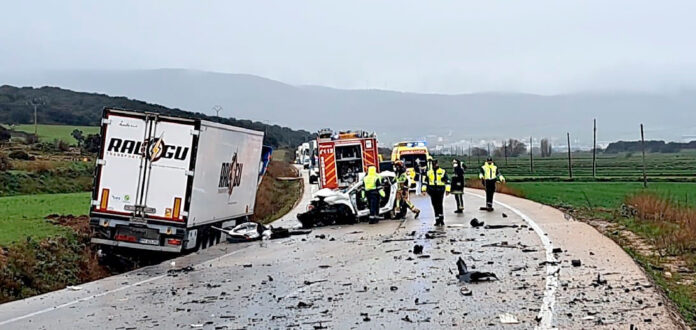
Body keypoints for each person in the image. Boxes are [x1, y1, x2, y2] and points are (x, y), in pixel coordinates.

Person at [421, 159, 450, 226]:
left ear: (437, 164)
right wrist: (424, 190)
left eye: (435, 164)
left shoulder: (442, 171)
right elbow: (425, 182)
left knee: (440, 205)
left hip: (440, 190)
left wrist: (448, 190)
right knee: (435, 206)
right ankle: (437, 220)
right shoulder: (429, 172)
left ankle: (441, 219)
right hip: (432, 190)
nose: (434, 165)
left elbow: (447, 181)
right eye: (433, 164)